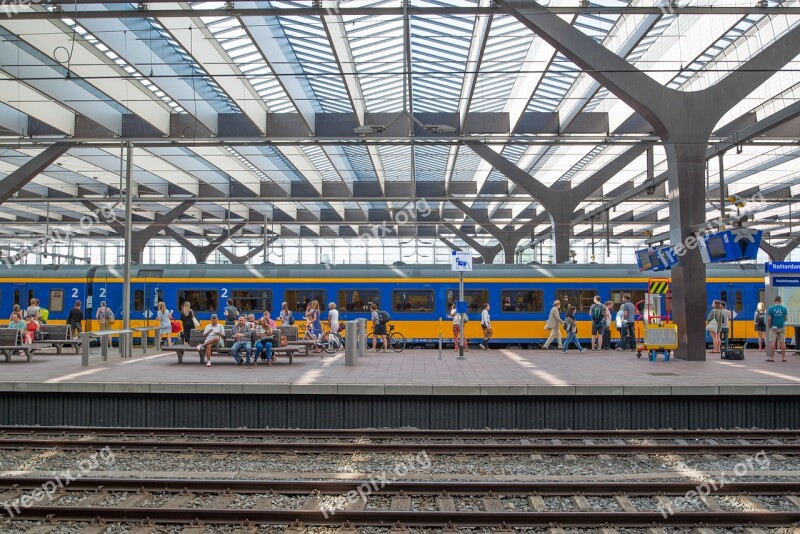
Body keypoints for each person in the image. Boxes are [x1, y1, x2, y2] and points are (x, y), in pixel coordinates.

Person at [766, 295, 788, 363]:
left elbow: (769, 319)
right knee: (782, 342)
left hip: (773, 327)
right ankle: (783, 358)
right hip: (782, 327)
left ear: (774, 301)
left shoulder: (770, 308)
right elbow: (786, 319)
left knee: (773, 342)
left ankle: (772, 358)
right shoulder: (784, 309)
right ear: (780, 301)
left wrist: (769, 326)